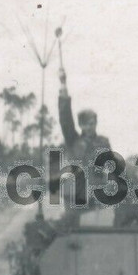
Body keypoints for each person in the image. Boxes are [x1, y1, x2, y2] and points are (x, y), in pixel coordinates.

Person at [56, 68, 111, 213]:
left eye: (92, 123)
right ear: (80, 125)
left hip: (97, 196)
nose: (89, 127)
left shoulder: (104, 142)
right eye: (85, 124)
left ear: (96, 123)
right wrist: (63, 85)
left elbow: (110, 166)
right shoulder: (73, 139)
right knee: (72, 225)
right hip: (74, 196)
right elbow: (65, 119)